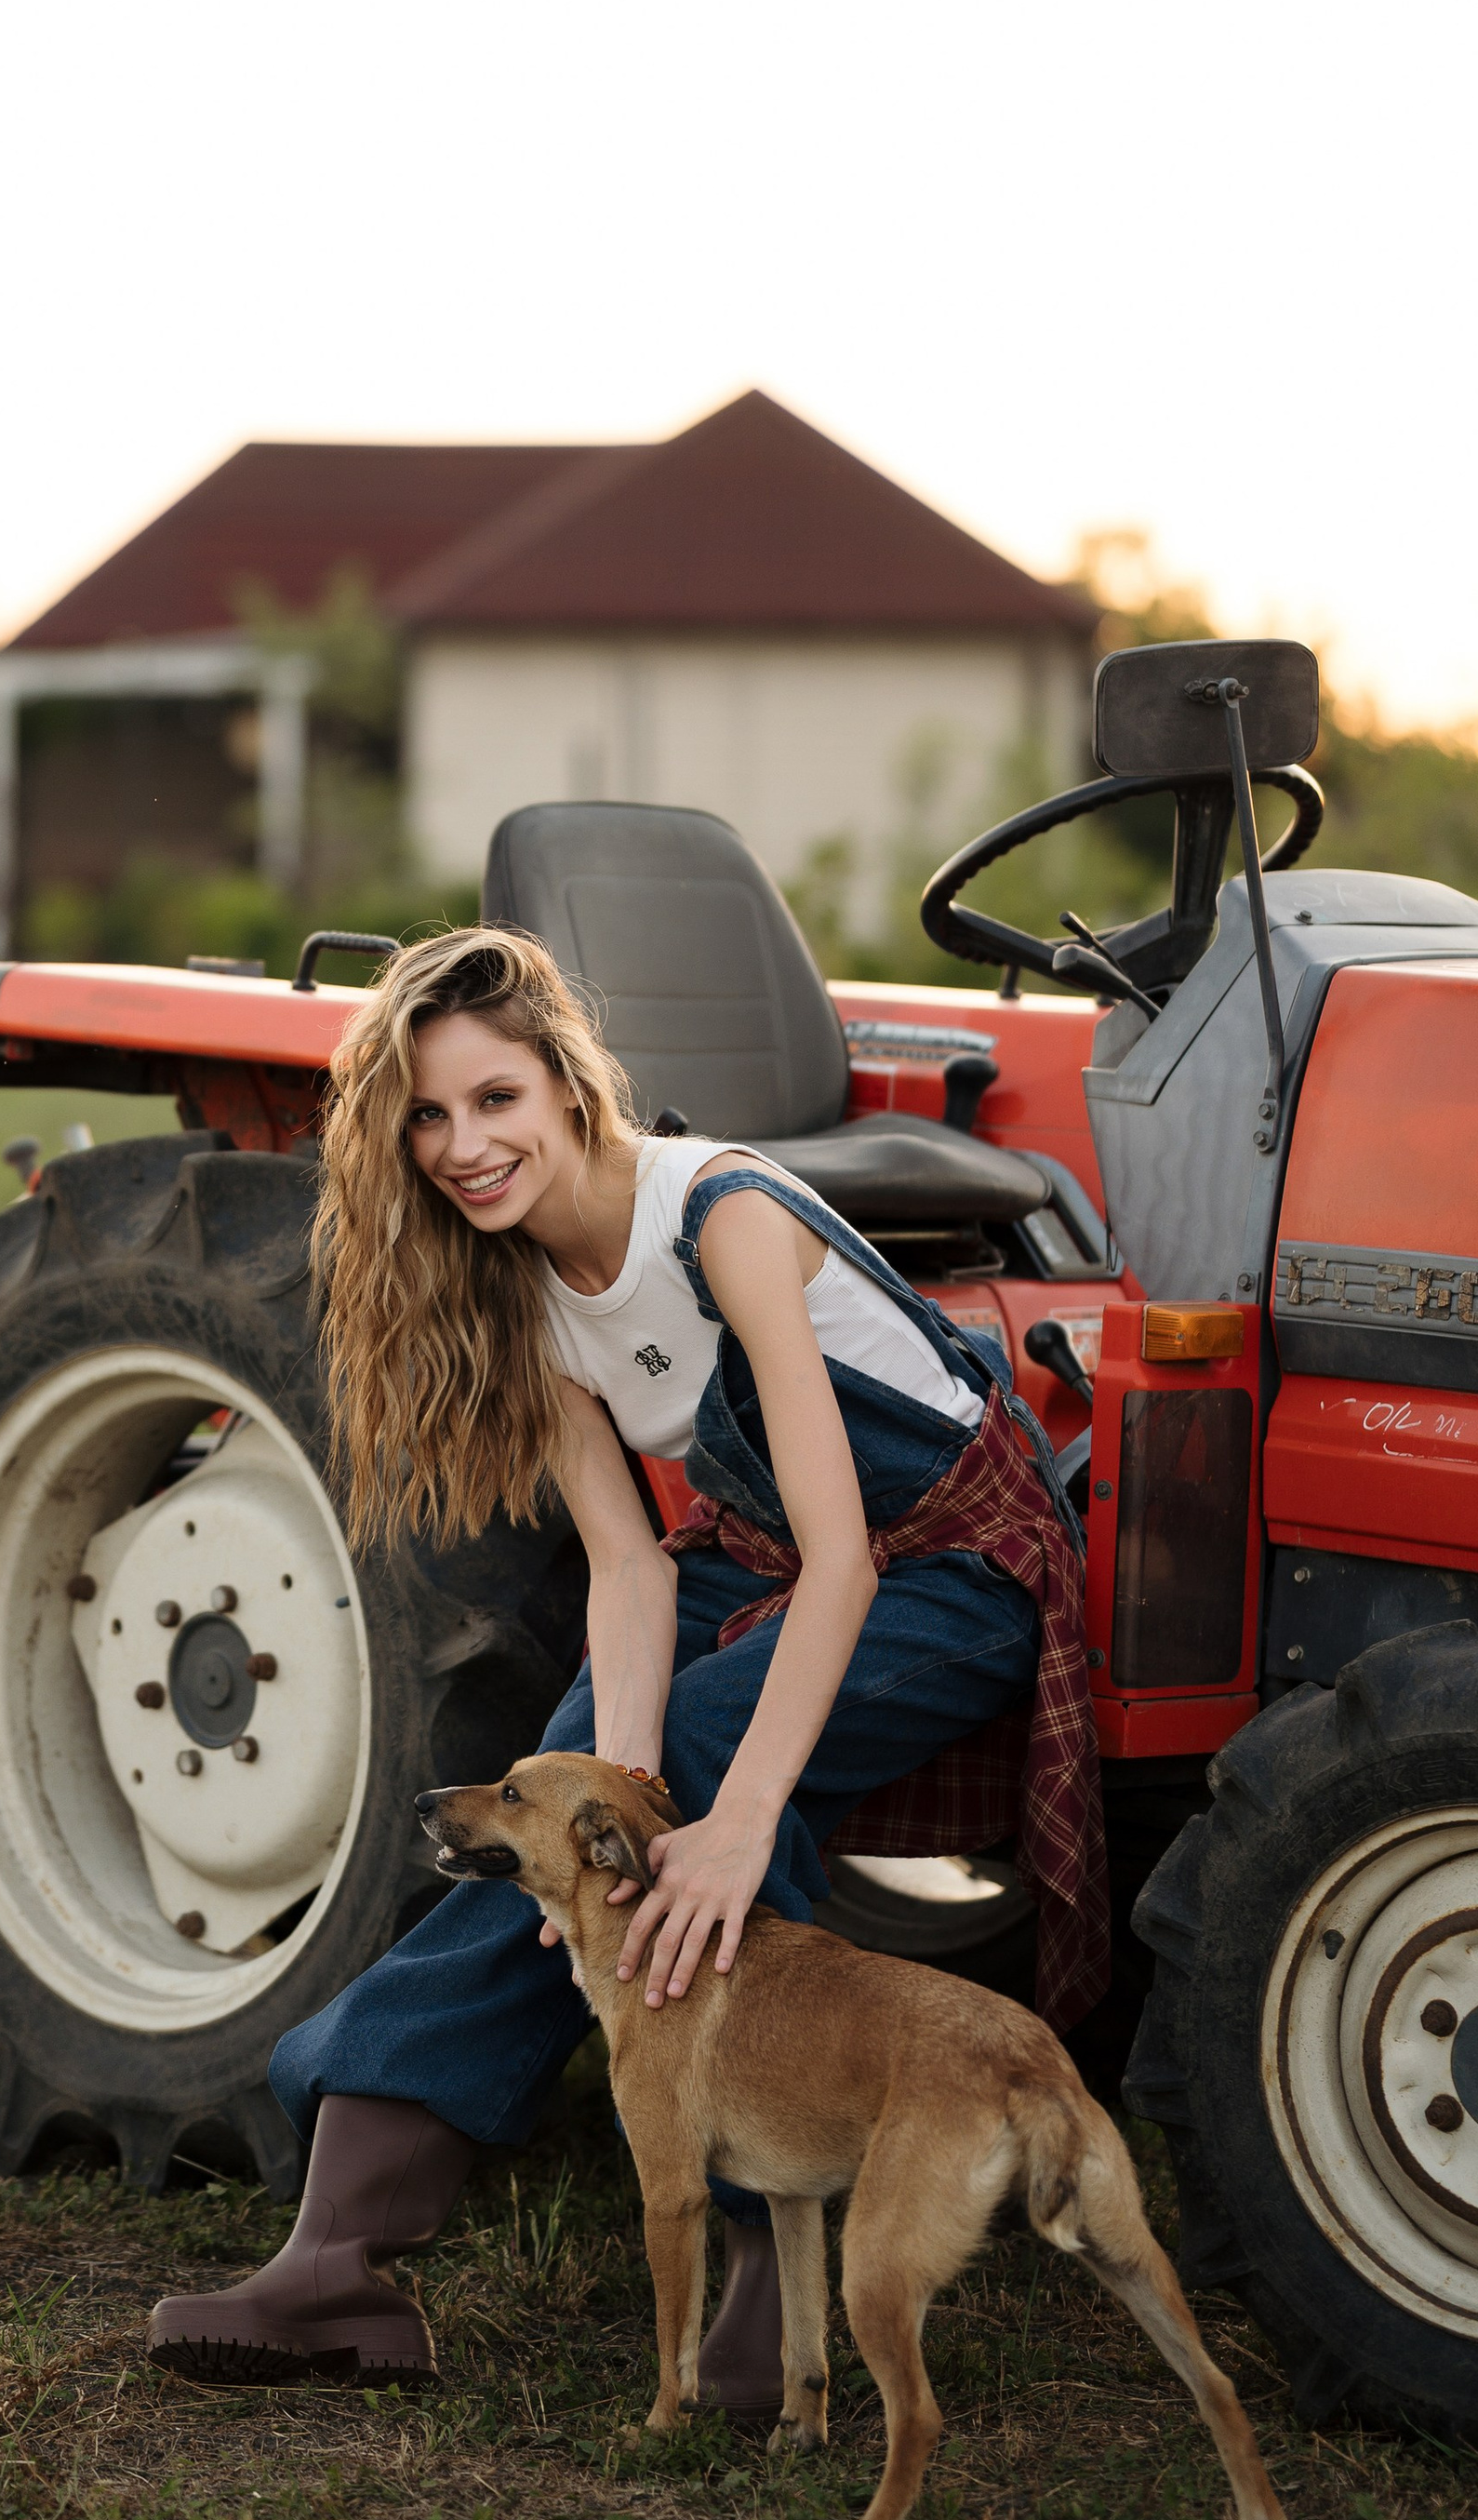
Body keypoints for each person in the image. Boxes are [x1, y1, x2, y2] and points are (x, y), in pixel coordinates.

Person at [148, 927, 1101, 2410]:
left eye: (496, 1100)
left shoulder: (719, 1218)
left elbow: (848, 1561)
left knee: (703, 1777)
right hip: (762, 1561)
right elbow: (632, 1567)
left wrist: (706, 1826)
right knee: (557, 1792)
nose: (464, 1147)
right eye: (428, 1117)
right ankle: (339, 2254)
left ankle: (751, 2277)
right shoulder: (520, 1291)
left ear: (571, 1088)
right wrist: (617, 1797)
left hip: (949, 1564)